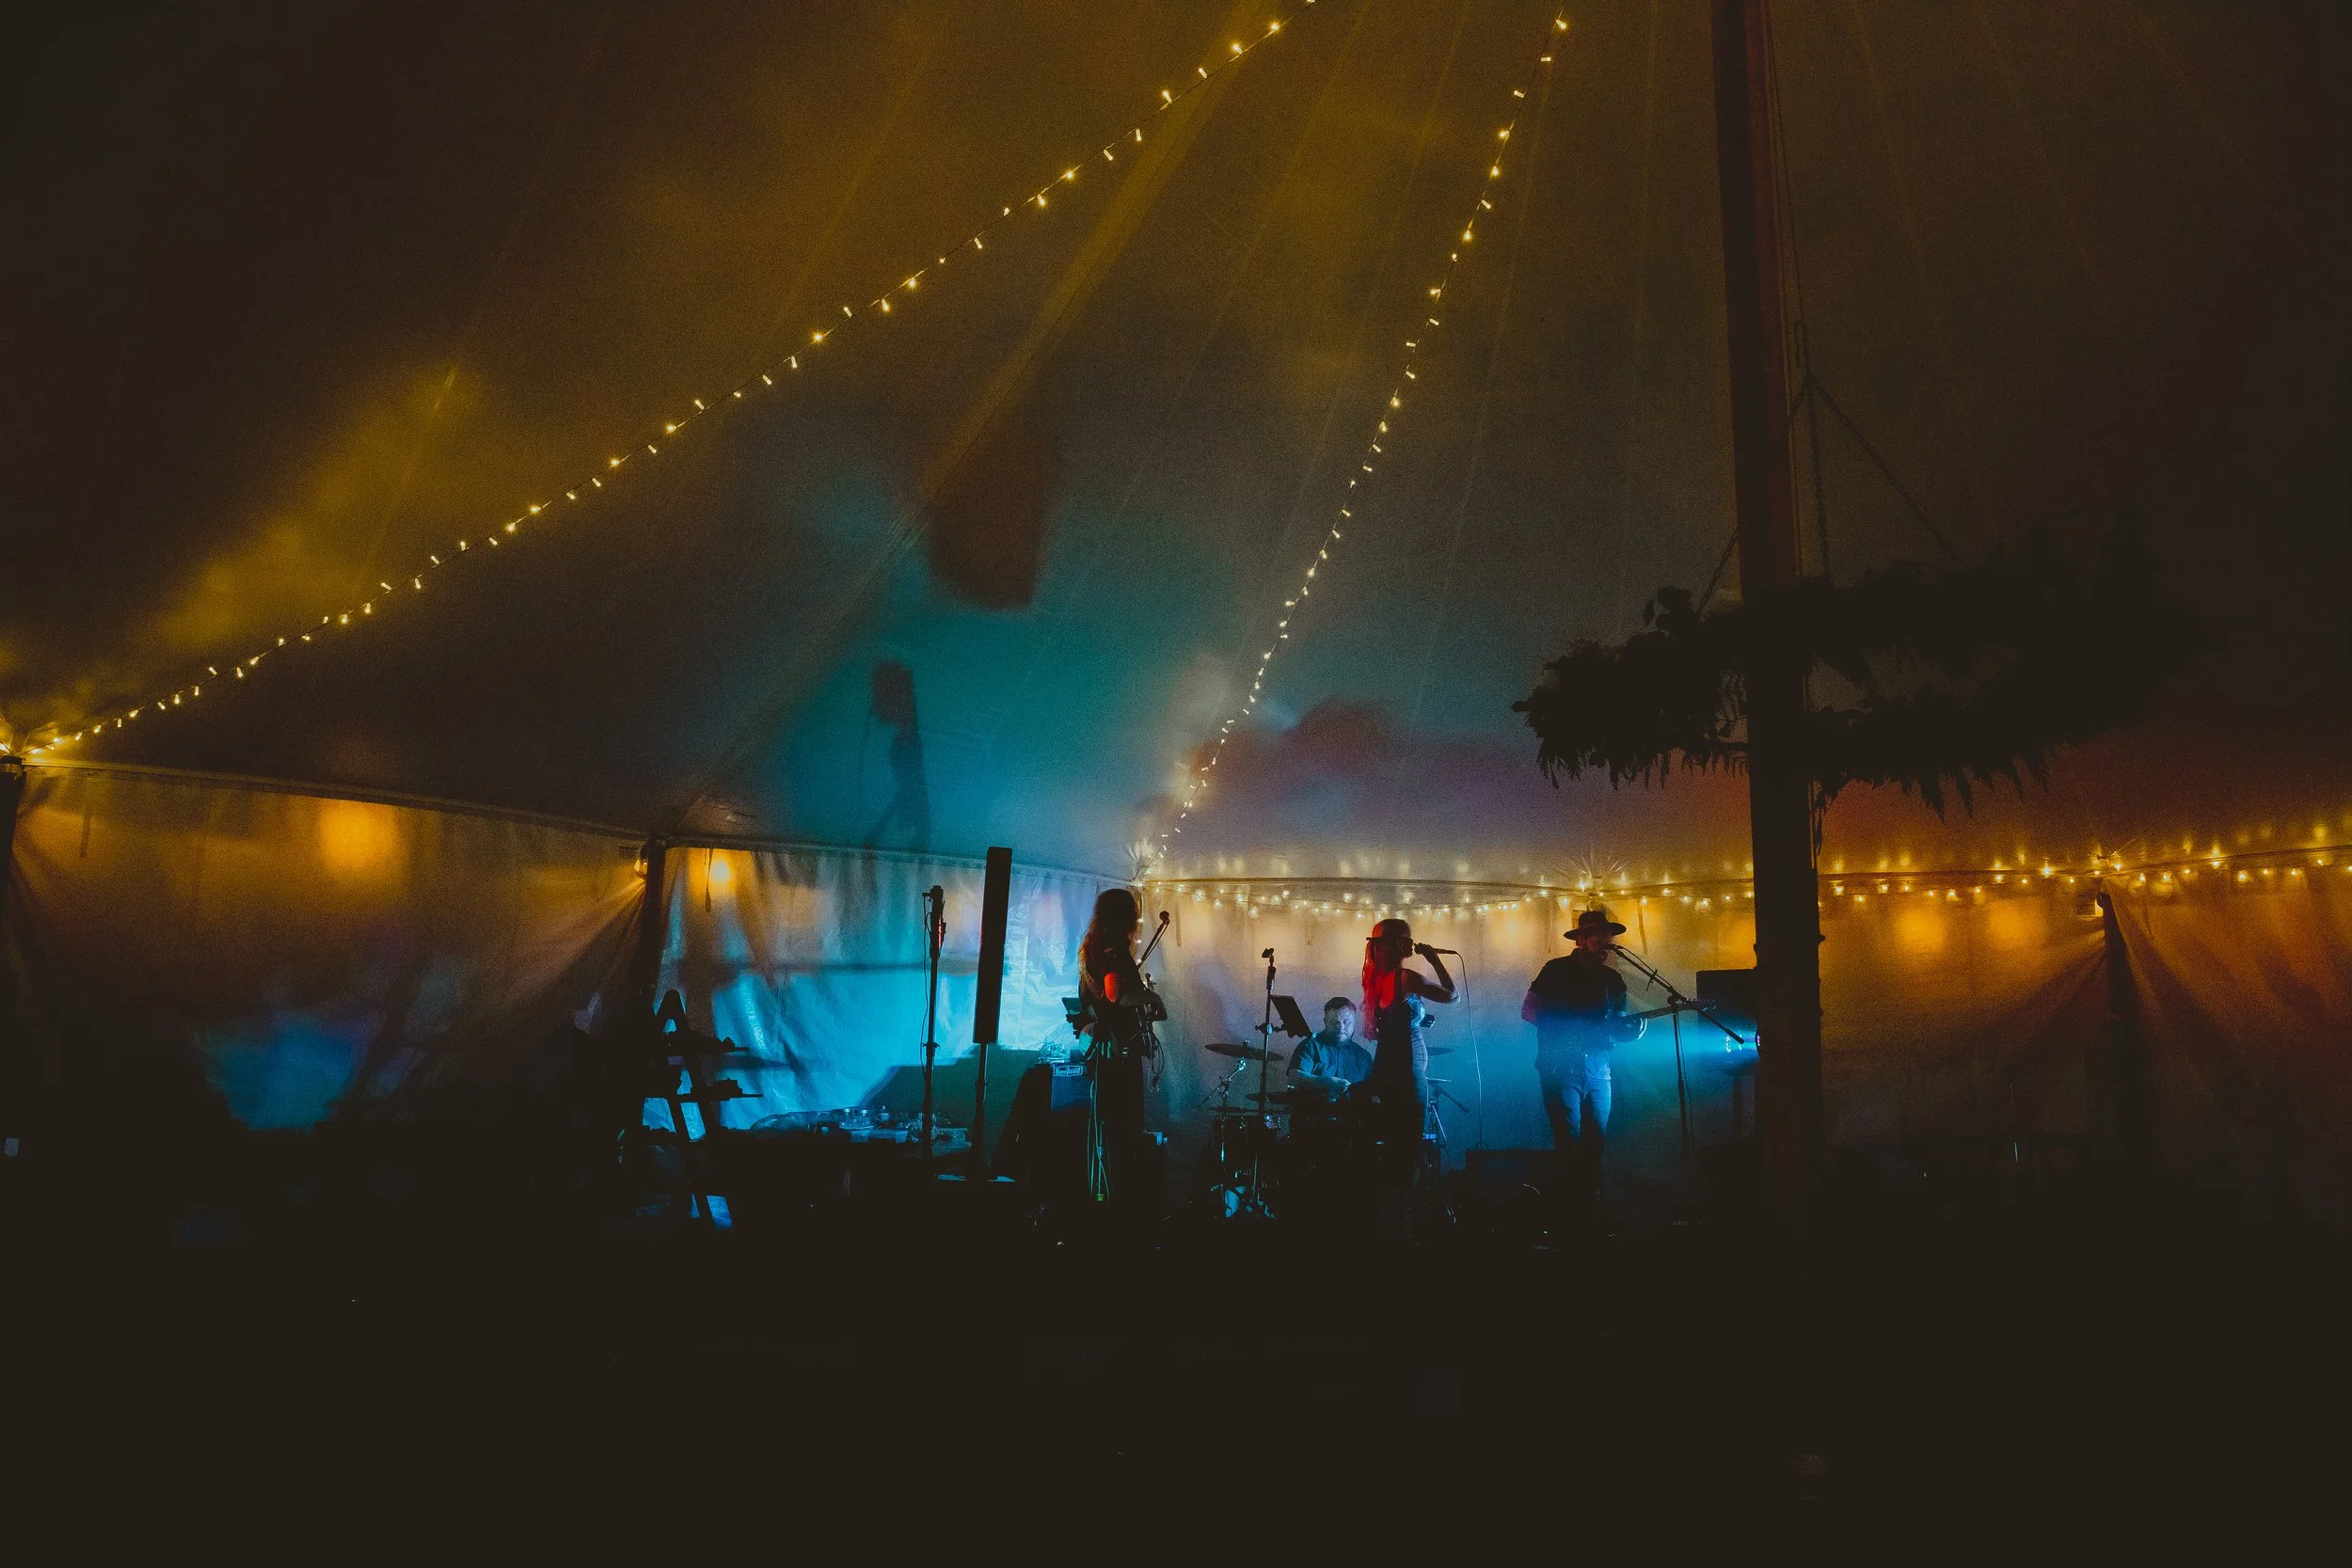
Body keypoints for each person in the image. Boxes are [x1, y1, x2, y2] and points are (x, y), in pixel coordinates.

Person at [1522, 909, 1645, 1217]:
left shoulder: (1612, 980)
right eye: (1597, 937)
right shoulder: (1555, 970)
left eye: (1608, 937)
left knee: (1595, 1144)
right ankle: (1570, 1212)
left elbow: (1617, 1027)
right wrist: (1565, 1032)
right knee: (1569, 1142)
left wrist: (1633, 1032)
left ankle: (1591, 1208)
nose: (1605, 942)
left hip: (1599, 1070)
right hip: (1560, 1067)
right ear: (1581, 940)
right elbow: (1529, 1010)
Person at [1076, 886, 1163, 1216]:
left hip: (1102, 1050)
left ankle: (1104, 1199)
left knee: (1106, 1128)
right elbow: (1116, 995)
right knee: (1126, 1127)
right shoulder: (1114, 950)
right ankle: (1122, 1207)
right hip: (1120, 1050)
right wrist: (1153, 998)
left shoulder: (1092, 947)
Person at [1359, 919, 1456, 1211]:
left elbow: (1391, 1023)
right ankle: (1403, 1219)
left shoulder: (1376, 978)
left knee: (1395, 1145)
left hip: (1388, 1066)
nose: (1412, 943)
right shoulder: (1405, 978)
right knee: (1410, 1148)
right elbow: (1452, 996)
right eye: (1406, 939)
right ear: (1394, 945)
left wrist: (1416, 1019)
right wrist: (1434, 959)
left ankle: (1391, 1214)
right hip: (1408, 1069)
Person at [1287, 996, 1373, 1101]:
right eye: (1334, 1022)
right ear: (1325, 1022)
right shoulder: (1310, 1046)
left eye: (1346, 1022)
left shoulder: (1364, 1056)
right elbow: (1293, 1079)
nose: (1340, 1027)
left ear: (1355, 1021)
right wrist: (1326, 1082)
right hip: (1314, 1109)